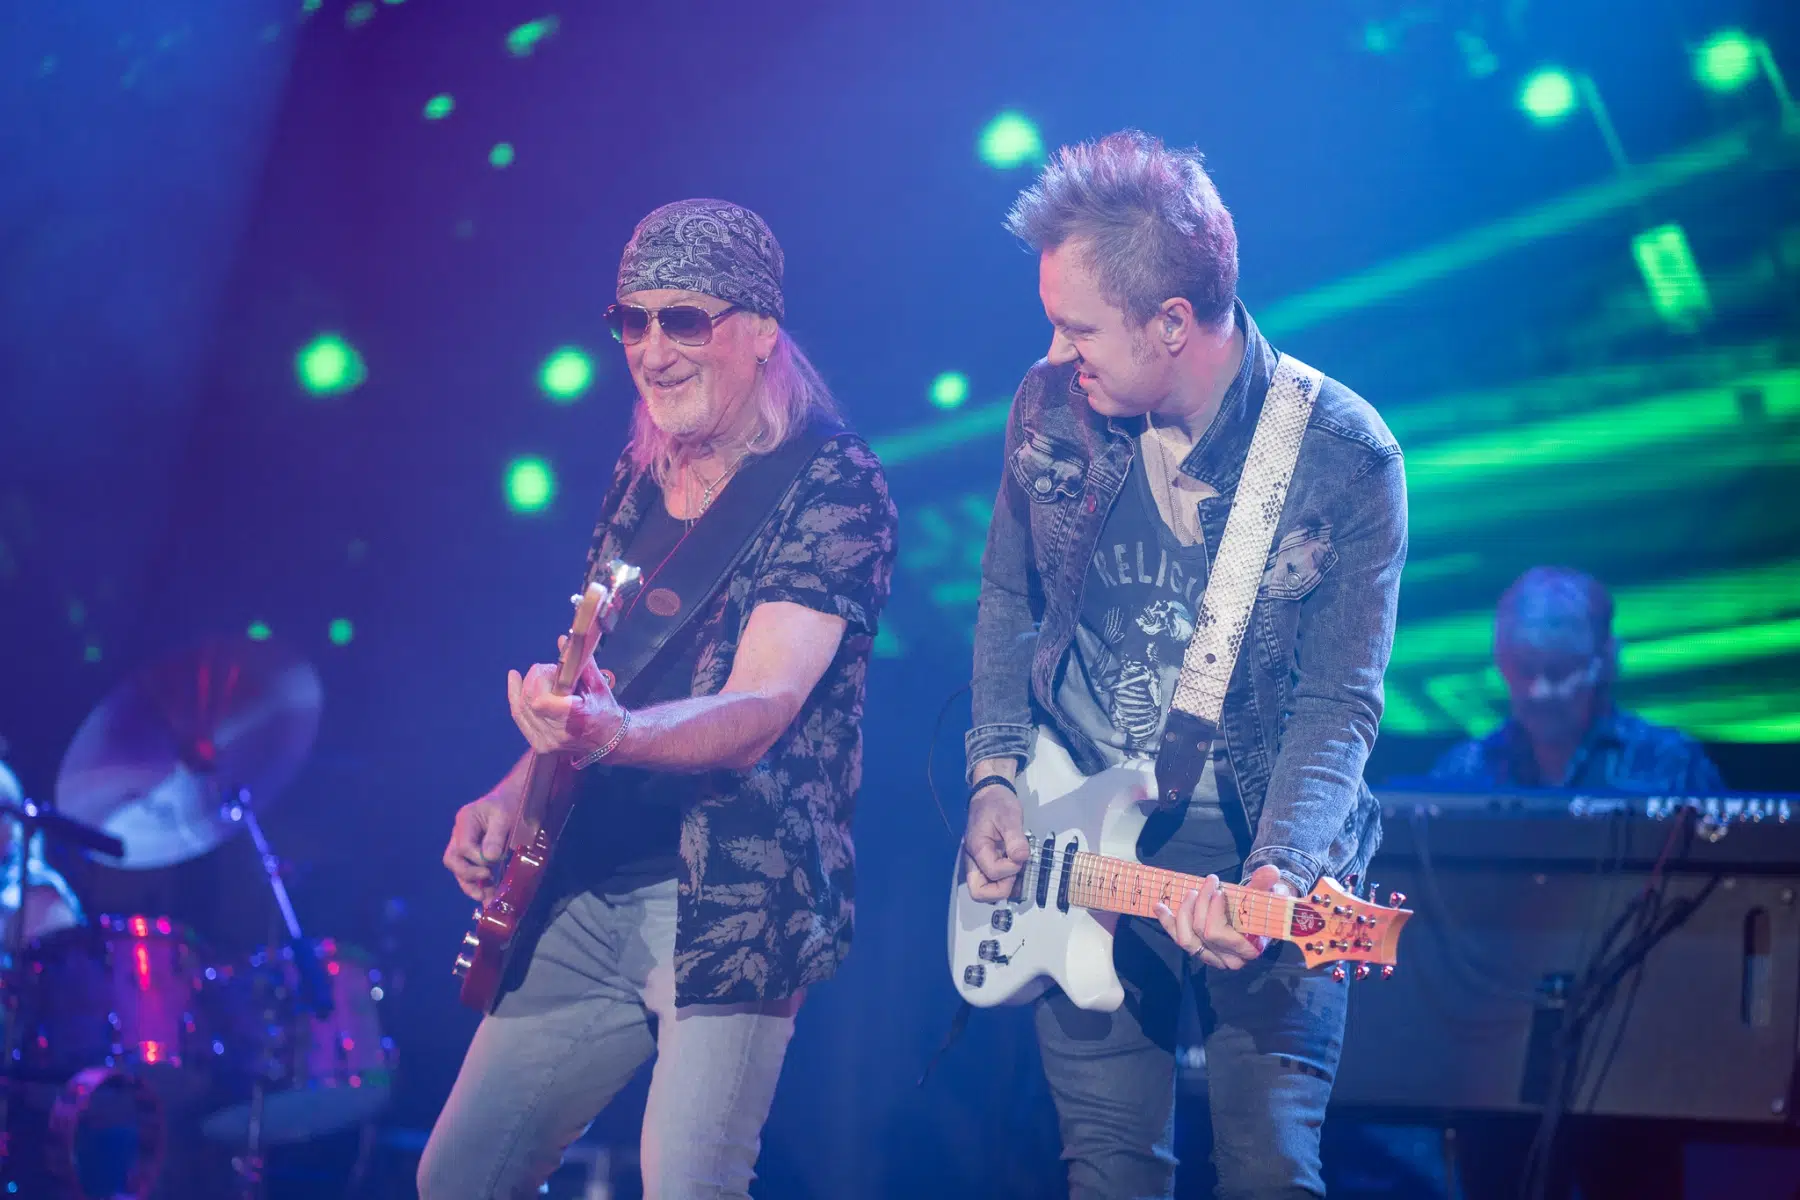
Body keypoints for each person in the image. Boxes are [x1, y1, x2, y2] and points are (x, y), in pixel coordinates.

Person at [418, 199, 896, 1200]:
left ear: (760, 330)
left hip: (729, 902)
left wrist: (617, 735)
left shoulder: (833, 483)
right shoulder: (641, 475)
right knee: (459, 1177)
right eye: (631, 321)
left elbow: (762, 706)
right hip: (589, 878)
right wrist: (515, 787)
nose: (652, 349)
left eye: (683, 319)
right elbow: (607, 679)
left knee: (689, 1186)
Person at [960, 131, 1408, 1199]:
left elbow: (1337, 703)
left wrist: (1277, 873)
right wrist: (994, 774)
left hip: (1264, 852)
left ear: (1170, 322)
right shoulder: (1050, 405)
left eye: (1079, 328)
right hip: (1077, 843)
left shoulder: (1346, 456)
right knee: (1108, 1174)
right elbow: (1010, 601)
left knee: (1270, 1174)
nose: (1057, 351)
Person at [1430, 566, 1723, 793]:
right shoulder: (1465, 770)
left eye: (1558, 670)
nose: (1538, 691)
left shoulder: (1671, 765)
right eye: (1524, 669)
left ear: (1604, 662)